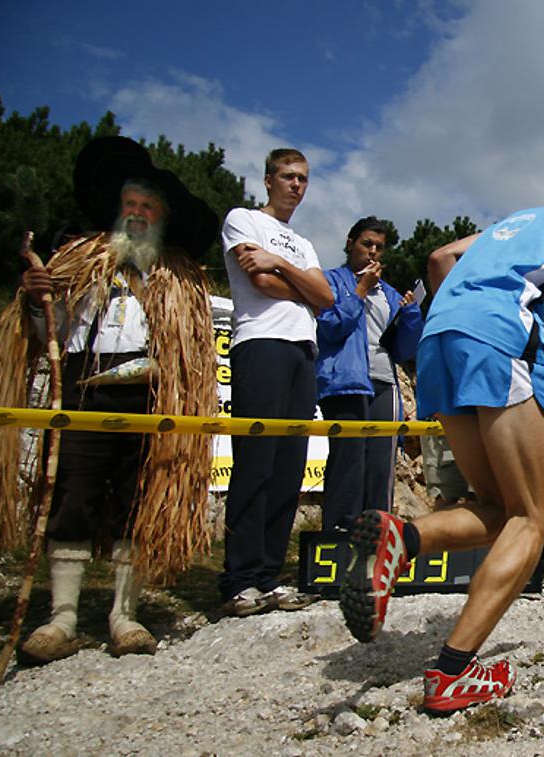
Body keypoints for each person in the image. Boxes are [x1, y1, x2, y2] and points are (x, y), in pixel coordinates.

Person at [340, 163, 544, 714]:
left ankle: (401, 538)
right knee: (536, 516)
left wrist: (462, 311)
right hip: (498, 337)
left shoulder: (522, 221)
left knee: (501, 509)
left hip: (439, 337)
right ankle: (453, 669)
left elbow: (439, 259)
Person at [0, 136, 218, 663]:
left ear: (163, 218)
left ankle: (123, 615)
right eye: (130, 205)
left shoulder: (177, 277)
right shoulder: (79, 262)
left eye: (147, 207)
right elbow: (49, 331)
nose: (136, 214)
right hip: (86, 389)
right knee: (72, 496)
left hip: (151, 397)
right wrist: (37, 299)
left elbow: (193, 348)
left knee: (137, 501)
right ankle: (61, 616)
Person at [218, 148, 334, 616]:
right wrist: (300, 286)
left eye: (303, 178)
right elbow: (258, 283)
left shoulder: (302, 243)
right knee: (255, 463)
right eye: (288, 176)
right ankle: (239, 579)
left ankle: (268, 575)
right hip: (260, 342)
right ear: (268, 180)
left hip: (302, 351)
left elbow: (326, 298)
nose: (296, 185)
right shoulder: (243, 219)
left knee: (289, 467)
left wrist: (281, 265)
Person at [315, 216, 423, 533]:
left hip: (385, 381)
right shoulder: (331, 280)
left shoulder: (388, 293)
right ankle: (338, 529)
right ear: (350, 244)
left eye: (379, 247)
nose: (373, 252)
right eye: (367, 244)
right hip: (347, 379)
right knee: (348, 458)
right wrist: (359, 290)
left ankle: (375, 529)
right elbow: (331, 327)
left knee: (381, 461)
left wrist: (411, 314)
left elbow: (403, 351)